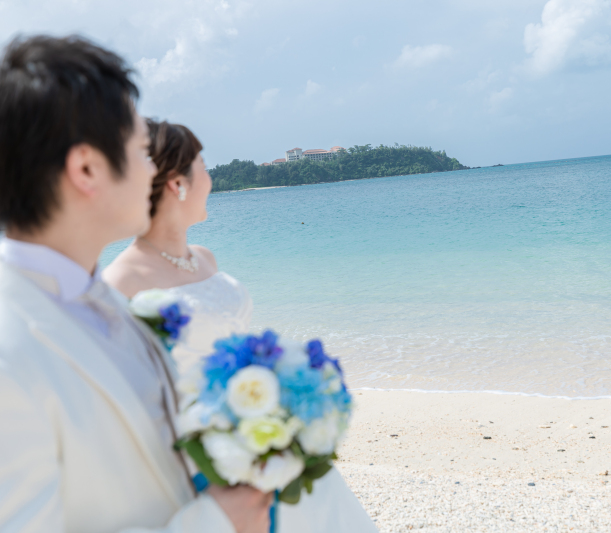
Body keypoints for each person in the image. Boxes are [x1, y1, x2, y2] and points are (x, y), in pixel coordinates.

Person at [0, 35, 272, 533]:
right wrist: (213, 523)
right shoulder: (9, 348)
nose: (151, 171)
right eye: (140, 151)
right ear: (86, 168)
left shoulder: (98, 298)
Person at [104, 119, 378, 533]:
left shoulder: (206, 258)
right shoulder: (122, 281)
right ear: (178, 184)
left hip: (257, 425)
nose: (210, 180)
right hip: (204, 449)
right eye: (204, 169)